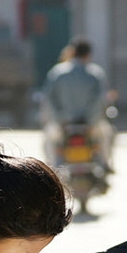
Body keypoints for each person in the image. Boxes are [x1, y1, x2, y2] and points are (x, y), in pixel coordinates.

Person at [40, 37, 114, 170]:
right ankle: (104, 165)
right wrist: (92, 122)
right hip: (90, 126)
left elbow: (49, 99)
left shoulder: (57, 73)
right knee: (106, 135)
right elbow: (99, 100)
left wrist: (58, 119)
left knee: (49, 142)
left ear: (72, 52)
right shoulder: (95, 73)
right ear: (88, 54)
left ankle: (51, 171)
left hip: (63, 125)